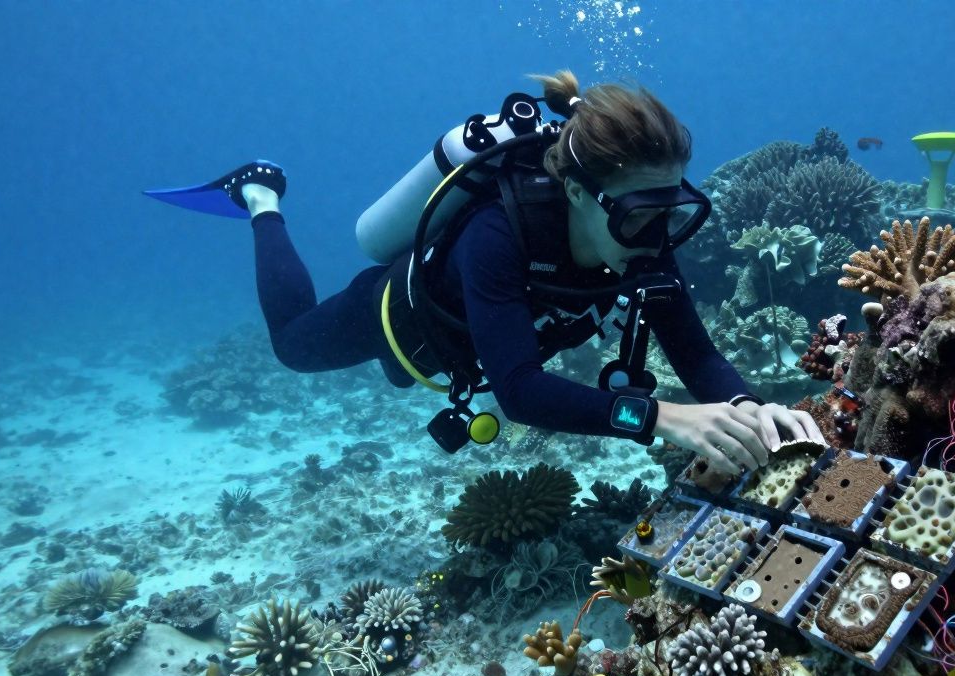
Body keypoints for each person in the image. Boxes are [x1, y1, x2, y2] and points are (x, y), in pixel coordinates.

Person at [203, 71, 823, 475]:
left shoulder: (639, 235)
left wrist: (750, 405)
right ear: (579, 192)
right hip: (402, 321)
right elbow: (521, 392)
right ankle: (262, 199)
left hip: (477, 344)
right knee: (292, 346)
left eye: (670, 210)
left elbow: (695, 353)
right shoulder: (497, 233)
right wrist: (662, 416)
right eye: (641, 215)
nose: (659, 237)